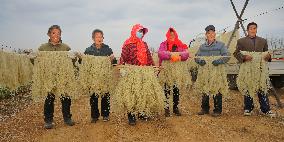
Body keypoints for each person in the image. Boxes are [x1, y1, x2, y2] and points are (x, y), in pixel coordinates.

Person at [233, 22, 275, 117]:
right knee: (248, 87)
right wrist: (244, 57)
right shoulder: (241, 41)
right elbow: (236, 53)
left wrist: (268, 56)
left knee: (262, 87)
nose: (252, 30)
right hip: (248, 69)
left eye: (254, 28)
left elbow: (267, 53)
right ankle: (248, 108)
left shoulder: (263, 41)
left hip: (260, 69)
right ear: (247, 30)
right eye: (251, 28)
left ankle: (265, 109)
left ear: (256, 29)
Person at [38, 25, 75, 129]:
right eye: (54, 33)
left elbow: (71, 63)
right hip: (49, 78)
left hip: (63, 78)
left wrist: (74, 59)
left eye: (58, 33)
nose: (56, 35)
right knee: (49, 98)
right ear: (49, 34)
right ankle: (48, 120)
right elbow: (37, 63)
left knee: (66, 98)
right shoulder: (42, 48)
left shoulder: (66, 48)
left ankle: (67, 118)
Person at [119, 24, 154, 125]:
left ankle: (142, 113)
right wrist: (122, 68)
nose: (141, 33)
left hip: (144, 72)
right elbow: (123, 57)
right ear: (134, 31)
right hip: (132, 72)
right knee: (132, 94)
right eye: (139, 31)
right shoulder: (128, 44)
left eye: (142, 32)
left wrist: (153, 67)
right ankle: (131, 116)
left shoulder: (144, 44)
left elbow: (149, 57)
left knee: (143, 92)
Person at [195, 25, 229, 117]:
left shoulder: (221, 45)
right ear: (206, 35)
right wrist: (200, 61)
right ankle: (204, 109)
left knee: (216, 89)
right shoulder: (202, 47)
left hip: (216, 72)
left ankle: (217, 110)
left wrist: (218, 61)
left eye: (212, 32)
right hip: (205, 72)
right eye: (209, 33)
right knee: (205, 89)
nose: (211, 34)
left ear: (215, 33)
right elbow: (196, 57)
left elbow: (227, 56)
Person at [84, 29, 114, 123]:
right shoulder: (88, 50)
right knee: (93, 96)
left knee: (105, 95)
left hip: (105, 77)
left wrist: (112, 59)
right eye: (97, 37)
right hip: (93, 78)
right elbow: (84, 64)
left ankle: (105, 115)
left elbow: (113, 63)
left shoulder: (107, 49)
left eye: (101, 36)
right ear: (93, 38)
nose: (99, 38)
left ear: (103, 38)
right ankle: (94, 116)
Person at [158, 27, 189, 117]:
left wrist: (179, 56)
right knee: (166, 89)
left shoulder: (180, 44)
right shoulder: (163, 44)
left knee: (176, 89)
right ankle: (166, 108)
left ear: (176, 35)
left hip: (177, 72)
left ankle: (175, 108)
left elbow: (186, 55)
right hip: (167, 71)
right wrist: (171, 55)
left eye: (173, 34)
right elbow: (160, 54)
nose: (172, 36)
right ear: (167, 35)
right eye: (170, 34)